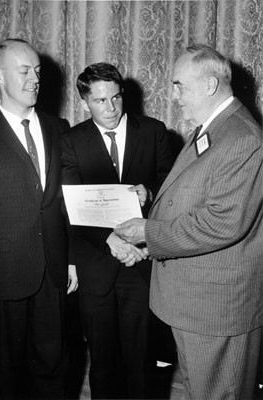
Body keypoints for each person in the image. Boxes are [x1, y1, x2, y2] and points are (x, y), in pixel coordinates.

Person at [114, 44, 263, 400]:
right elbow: (192, 196)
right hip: (196, 303)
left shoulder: (241, 139)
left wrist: (148, 232)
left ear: (210, 85)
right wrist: (148, 236)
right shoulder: (212, 129)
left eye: (180, 85)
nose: (174, 95)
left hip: (216, 310)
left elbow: (222, 223)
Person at [0, 38, 78, 400]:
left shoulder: (59, 128)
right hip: (1, 277)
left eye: (38, 71)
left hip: (52, 273)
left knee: (55, 365)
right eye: (23, 71)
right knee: (8, 373)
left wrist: (70, 259)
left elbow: (65, 202)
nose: (34, 79)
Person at [61, 62, 174, 399]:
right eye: (100, 101)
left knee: (141, 359)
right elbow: (69, 204)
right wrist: (109, 241)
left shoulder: (154, 131)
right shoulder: (71, 140)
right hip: (97, 265)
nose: (110, 108)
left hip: (141, 263)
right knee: (103, 361)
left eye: (116, 98)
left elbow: (174, 185)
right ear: (84, 103)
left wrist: (150, 193)